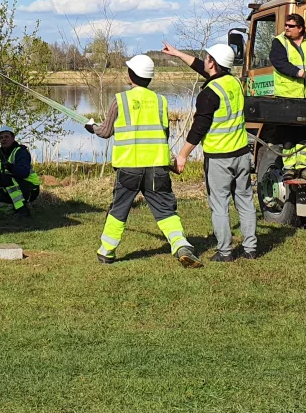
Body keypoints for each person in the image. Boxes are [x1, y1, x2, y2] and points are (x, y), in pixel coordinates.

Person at [84, 54, 202, 268]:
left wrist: (90, 127)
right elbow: (163, 135)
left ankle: (107, 251)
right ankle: (181, 245)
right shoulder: (161, 101)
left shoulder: (120, 100)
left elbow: (104, 131)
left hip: (129, 167)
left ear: (131, 75)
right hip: (157, 167)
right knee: (165, 210)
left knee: (119, 209)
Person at [163, 42, 257, 262]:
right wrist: (177, 54)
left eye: (207, 58)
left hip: (219, 159)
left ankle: (225, 252)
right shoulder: (233, 82)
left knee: (220, 206)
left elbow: (199, 128)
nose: (204, 60)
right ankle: (250, 248)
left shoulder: (209, 94)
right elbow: (202, 67)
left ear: (213, 63)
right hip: (242, 153)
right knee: (244, 200)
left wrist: (183, 154)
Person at [271, 12, 306, 180]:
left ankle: (303, 167)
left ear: (300, 28)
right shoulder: (279, 42)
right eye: (286, 25)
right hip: (287, 95)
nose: (287, 28)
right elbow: (280, 63)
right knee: (288, 134)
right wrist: (302, 74)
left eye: (291, 26)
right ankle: (289, 168)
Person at [0, 126, 40, 216]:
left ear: (13, 138)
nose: (3, 140)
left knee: (7, 180)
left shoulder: (21, 152)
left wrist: (10, 167)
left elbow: (24, 173)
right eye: (1, 138)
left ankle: (22, 210)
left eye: (6, 137)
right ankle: (13, 212)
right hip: (11, 189)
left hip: (30, 188)